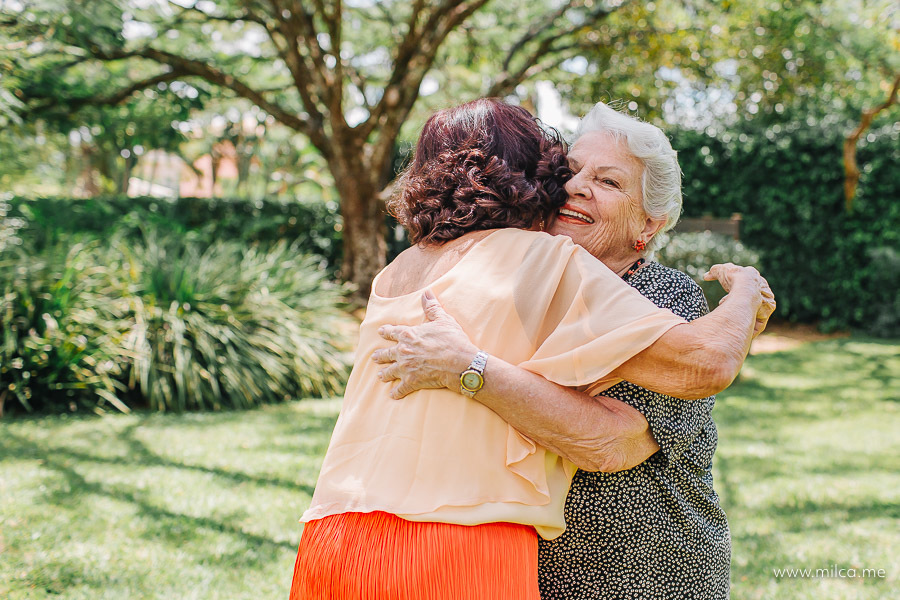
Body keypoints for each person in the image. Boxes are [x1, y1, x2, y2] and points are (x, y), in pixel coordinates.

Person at [289, 98, 774, 599]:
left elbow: (618, 439)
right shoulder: (517, 270)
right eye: (567, 169)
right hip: (486, 551)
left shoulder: (657, 293)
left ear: (649, 225)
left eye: (608, 181)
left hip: (634, 569)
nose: (574, 185)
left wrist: (469, 369)